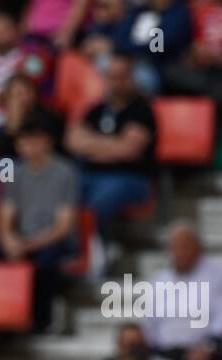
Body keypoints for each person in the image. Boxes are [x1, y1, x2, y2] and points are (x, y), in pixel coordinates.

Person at [0, 117, 78, 333]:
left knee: (45, 262)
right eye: (23, 141)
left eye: (33, 140)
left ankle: (41, 321)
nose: (28, 146)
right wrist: (8, 239)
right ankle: (5, 323)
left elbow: (64, 225)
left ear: (47, 141)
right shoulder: (12, 171)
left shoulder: (65, 172)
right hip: (24, 238)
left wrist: (30, 245)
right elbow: (6, 213)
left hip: (54, 240)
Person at [65, 54, 156, 237]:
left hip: (130, 178)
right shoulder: (97, 109)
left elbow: (129, 150)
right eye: (112, 77)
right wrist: (114, 144)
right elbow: (72, 141)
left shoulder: (142, 110)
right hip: (90, 174)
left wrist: (92, 144)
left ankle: (100, 250)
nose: (117, 82)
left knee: (98, 204)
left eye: (122, 76)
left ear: (131, 78)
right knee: (62, 196)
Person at [140, 220, 222, 360]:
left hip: (211, 349)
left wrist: (208, 346)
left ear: (198, 247)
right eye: (175, 247)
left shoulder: (221, 272)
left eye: (184, 246)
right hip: (167, 353)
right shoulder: (159, 280)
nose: (179, 252)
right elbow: (149, 326)